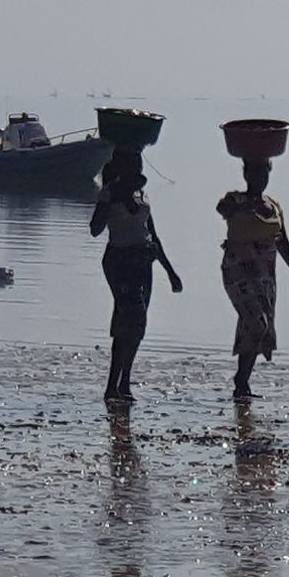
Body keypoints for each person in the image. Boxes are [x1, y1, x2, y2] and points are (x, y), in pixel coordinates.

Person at [217, 158, 289, 401]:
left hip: (265, 275)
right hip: (238, 271)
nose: (259, 178)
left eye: (263, 173)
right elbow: (223, 210)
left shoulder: (273, 206)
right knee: (256, 323)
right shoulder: (234, 199)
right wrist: (246, 206)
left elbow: (284, 244)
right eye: (254, 172)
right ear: (245, 173)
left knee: (254, 327)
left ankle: (242, 383)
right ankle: (241, 380)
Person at [89, 148, 182, 402]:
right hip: (120, 260)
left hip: (143, 260)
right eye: (131, 166)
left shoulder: (142, 195)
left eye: (138, 166)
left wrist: (170, 271)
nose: (136, 171)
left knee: (138, 324)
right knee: (128, 318)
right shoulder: (109, 194)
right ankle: (112, 386)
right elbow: (95, 229)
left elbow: (152, 233)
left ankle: (125, 382)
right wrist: (110, 201)